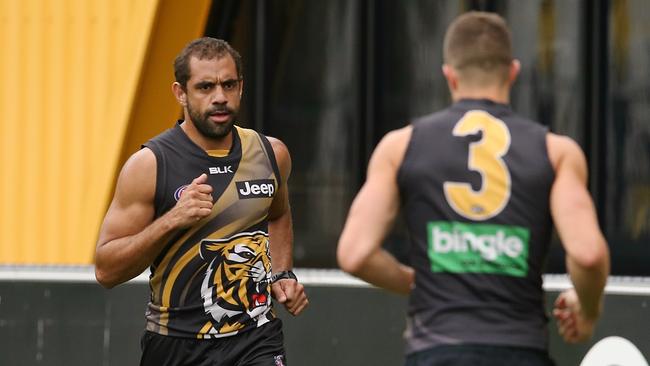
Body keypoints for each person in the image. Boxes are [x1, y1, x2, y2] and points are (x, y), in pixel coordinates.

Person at [337, 11, 610, 366]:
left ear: (449, 76)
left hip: (436, 350)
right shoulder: (556, 152)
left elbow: (355, 253)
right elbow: (588, 255)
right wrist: (588, 311)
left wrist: (417, 281)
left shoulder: (400, 146)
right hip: (520, 350)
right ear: (513, 72)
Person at [94, 37, 308, 366]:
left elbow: (278, 214)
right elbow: (107, 270)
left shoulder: (271, 154)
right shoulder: (150, 164)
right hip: (177, 345)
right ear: (180, 93)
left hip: (257, 338)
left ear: (241, 87)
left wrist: (282, 274)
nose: (220, 97)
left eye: (228, 84)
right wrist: (172, 219)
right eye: (205, 87)